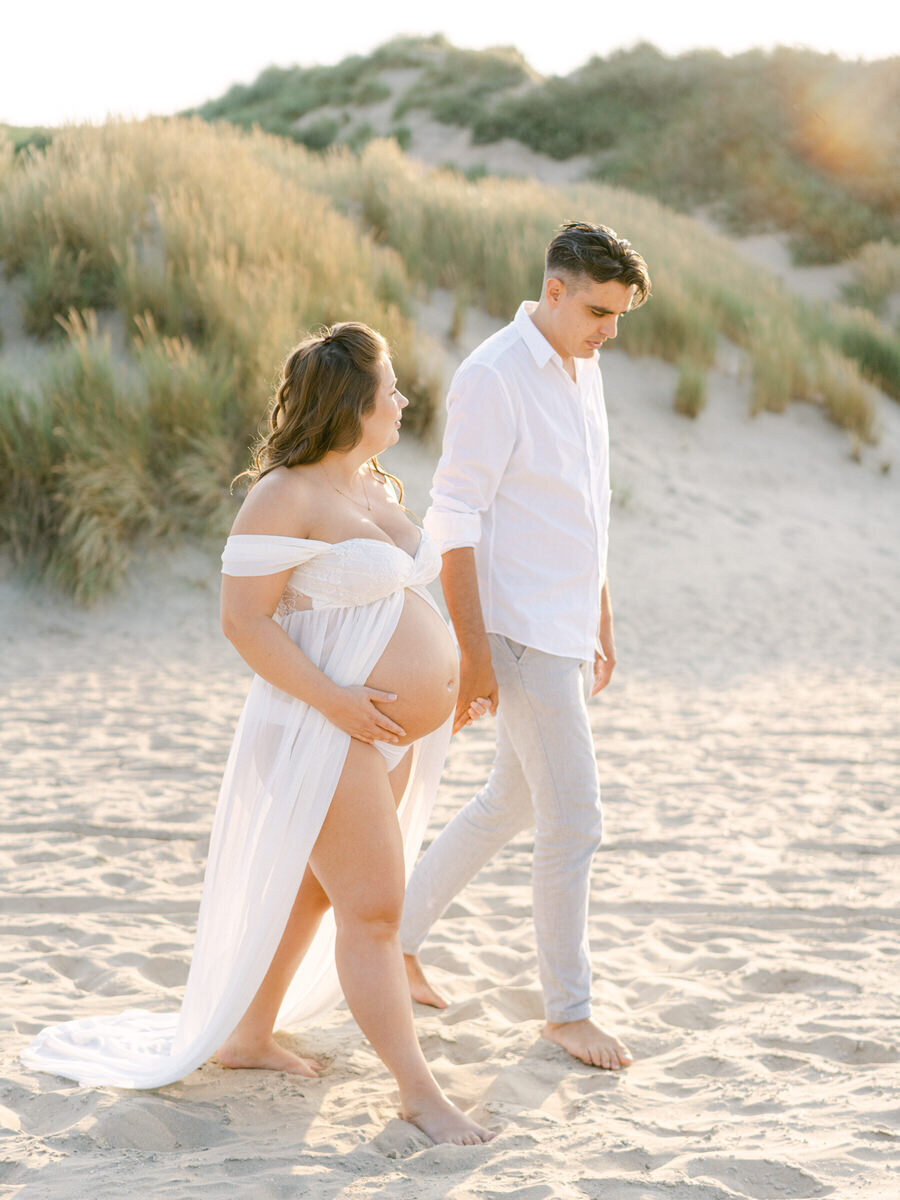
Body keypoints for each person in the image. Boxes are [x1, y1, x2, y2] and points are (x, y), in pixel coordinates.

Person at [22, 322, 494, 1146]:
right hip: (321, 727)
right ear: (353, 403)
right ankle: (418, 1093)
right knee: (377, 912)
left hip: (379, 733)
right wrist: (341, 705)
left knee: (320, 890)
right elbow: (243, 622)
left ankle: (249, 1036)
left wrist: (445, 685)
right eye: (391, 390)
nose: (403, 399)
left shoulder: (372, 488)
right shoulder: (284, 495)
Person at [400, 222, 652, 1070]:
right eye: (598, 310)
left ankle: (394, 936)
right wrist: (473, 655)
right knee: (575, 819)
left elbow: (589, 502)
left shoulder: (587, 368)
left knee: (510, 800)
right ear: (553, 290)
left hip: (562, 622)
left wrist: (600, 611)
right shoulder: (493, 376)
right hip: (513, 630)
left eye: (618, 315)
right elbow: (453, 521)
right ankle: (567, 1013)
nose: (609, 329)